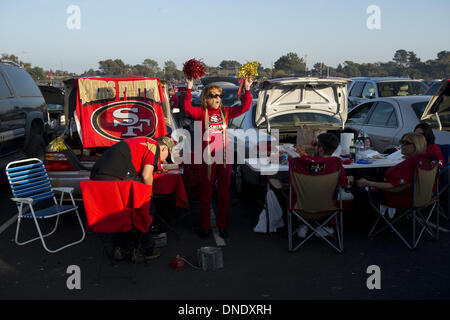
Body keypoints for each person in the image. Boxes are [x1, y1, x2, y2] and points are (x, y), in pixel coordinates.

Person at [184, 76, 253, 239]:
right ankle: (205, 226)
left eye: (219, 96)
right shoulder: (201, 113)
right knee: (206, 194)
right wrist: (188, 88)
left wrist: (247, 89)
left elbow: (245, 107)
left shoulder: (226, 112)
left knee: (223, 194)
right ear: (206, 98)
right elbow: (187, 108)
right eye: (213, 96)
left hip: (224, 156)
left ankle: (222, 225)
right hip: (207, 158)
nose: (217, 99)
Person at [90, 136, 175, 261]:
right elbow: (146, 176)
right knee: (144, 209)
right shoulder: (153, 146)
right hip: (117, 176)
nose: (162, 162)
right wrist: (148, 194)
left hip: (98, 175)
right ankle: (146, 249)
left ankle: (120, 248)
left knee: (119, 213)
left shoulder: (142, 142)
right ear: (164, 149)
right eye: (166, 158)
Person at [356, 132, 429, 206]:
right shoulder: (423, 160)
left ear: (416, 146)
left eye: (406, 143)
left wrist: (367, 183)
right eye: (402, 142)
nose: (402, 146)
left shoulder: (410, 163)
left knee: (358, 192)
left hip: (398, 198)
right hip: (419, 197)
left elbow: (394, 187)